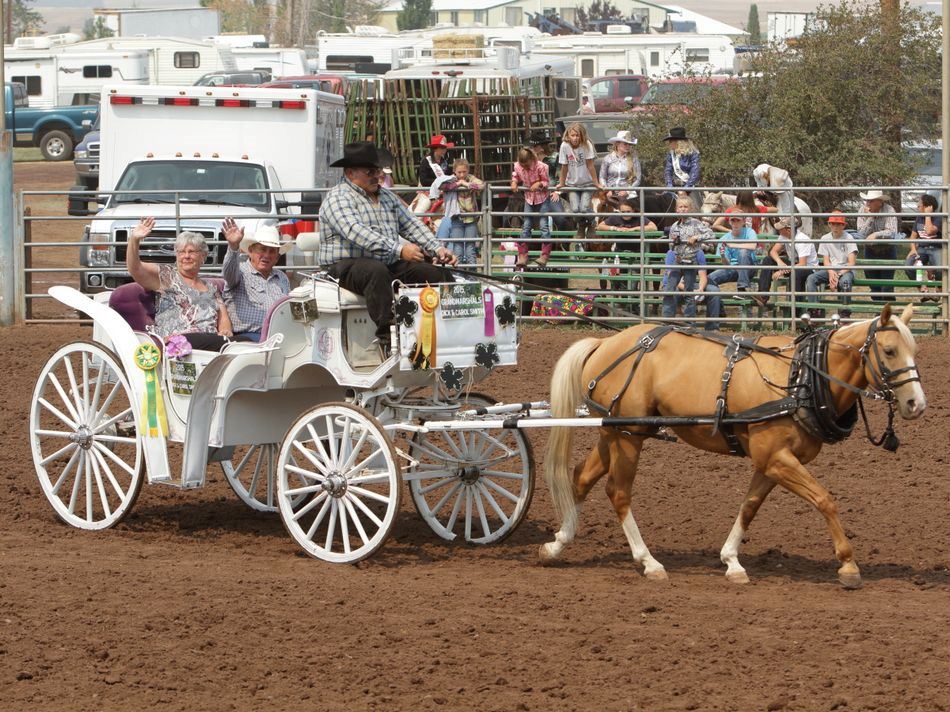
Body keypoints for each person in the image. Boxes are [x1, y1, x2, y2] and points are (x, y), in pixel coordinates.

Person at [318, 142, 458, 356]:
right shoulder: (337, 198)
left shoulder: (387, 197)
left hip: (384, 261)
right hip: (344, 266)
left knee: (434, 273)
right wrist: (399, 250)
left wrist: (437, 249)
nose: (377, 175)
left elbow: (410, 224)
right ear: (350, 172)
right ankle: (388, 338)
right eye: (370, 171)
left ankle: (448, 332)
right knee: (375, 271)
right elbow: (356, 232)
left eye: (378, 170)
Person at [126, 216, 235, 351]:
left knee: (243, 342)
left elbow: (223, 319)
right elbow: (135, 268)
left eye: (191, 252)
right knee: (200, 338)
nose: (186, 256)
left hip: (210, 345)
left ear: (203, 257)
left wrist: (225, 332)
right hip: (178, 343)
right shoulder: (167, 276)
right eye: (181, 252)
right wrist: (134, 240)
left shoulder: (212, 288)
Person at [221, 219, 292, 342]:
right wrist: (233, 246)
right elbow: (228, 271)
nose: (266, 255)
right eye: (262, 249)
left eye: (271, 251)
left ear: (276, 258)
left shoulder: (282, 277)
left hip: (279, 336)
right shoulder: (240, 272)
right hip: (247, 336)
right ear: (251, 251)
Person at [703, 212, 758, 330]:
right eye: (733, 221)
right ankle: (719, 308)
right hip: (732, 268)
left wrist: (733, 245)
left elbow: (753, 246)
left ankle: (742, 289)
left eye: (738, 220)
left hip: (749, 268)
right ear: (729, 222)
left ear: (743, 222)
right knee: (709, 279)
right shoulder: (725, 238)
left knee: (743, 253)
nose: (736, 223)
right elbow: (726, 264)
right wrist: (723, 255)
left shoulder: (749, 232)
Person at [662, 196, 713, 321]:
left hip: (691, 260)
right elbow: (670, 246)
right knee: (669, 289)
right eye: (680, 207)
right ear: (676, 209)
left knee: (689, 293)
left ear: (690, 209)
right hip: (677, 260)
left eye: (686, 207)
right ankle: (667, 320)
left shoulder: (696, 223)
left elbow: (711, 234)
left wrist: (697, 237)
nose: (683, 209)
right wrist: (674, 242)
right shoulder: (674, 225)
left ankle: (690, 323)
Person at [755, 216, 818, 314]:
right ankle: (763, 296)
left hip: (808, 268)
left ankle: (796, 311)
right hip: (793, 264)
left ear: (788, 229)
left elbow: (803, 264)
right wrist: (780, 262)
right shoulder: (784, 236)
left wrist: (782, 270)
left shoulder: (802, 240)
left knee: (796, 273)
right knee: (768, 260)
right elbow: (773, 251)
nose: (779, 230)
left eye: (781, 229)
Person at [555, 122, 601, 245]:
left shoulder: (587, 145)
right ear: (568, 135)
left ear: (582, 136)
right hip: (572, 184)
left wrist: (596, 183)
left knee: (584, 208)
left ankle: (592, 223)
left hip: (587, 183)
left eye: (577, 135)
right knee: (575, 209)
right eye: (573, 135)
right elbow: (564, 167)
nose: (575, 138)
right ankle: (582, 225)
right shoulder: (564, 146)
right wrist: (561, 183)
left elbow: (590, 166)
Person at [805, 212, 857, 318]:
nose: (835, 227)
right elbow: (826, 261)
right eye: (832, 224)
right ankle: (814, 310)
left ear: (843, 225)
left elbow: (851, 263)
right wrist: (831, 272)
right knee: (811, 278)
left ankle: (844, 313)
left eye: (838, 224)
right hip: (831, 269)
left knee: (845, 282)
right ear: (829, 224)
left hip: (846, 270)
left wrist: (837, 275)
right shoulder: (825, 238)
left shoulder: (849, 238)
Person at [435, 158, 484, 266]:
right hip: (457, 218)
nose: (462, 175)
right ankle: (459, 274)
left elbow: (481, 185)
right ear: (455, 172)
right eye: (459, 172)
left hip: (471, 218)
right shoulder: (452, 179)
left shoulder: (471, 178)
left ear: (468, 171)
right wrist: (458, 183)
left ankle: (472, 275)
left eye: (464, 172)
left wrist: (466, 184)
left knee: (470, 248)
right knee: (458, 247)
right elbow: (442, 187)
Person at [855, 189, 902, 302]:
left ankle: (886, 311)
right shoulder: (862, 210)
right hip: (870, 250)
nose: (867, 203)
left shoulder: (889, 210)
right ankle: (878, 309)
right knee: (873, 284)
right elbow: (861, 234)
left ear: (879, 202)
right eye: (867, 200)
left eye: (870, 201)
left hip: (888, 249)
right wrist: (871, 217)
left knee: (887, 284)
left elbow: (892, 232)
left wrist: (876, 234)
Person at [511, 147, 554, 268]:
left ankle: (545, 255)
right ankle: (523, 255)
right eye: (522, 164)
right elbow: (516, 176)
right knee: (526, 225)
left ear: (531, 159)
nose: (524, 167)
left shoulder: (541, 166)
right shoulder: (518, 166)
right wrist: (514, 182)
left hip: (542, 198)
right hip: (529, 198)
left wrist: (539, 183)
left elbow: (546, 182)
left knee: (543, 225)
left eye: (526, 164)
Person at [904, 194, 942, 300]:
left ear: (927, 207)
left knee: (940, 268)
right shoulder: (919, 218)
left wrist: (928, 215)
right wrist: (912, 249)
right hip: (922, 249)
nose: (917, 207)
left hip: (936, 248)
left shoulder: (938, 217)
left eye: (919, 205)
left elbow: (929, 231)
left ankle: (938, 291)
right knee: (908, 266)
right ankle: (923, 290)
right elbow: (913, 236)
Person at [599, 131, 641, 208]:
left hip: (627, 194)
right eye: (625, 144)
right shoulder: (608, 158)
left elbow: (638, 179)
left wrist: (627, 191)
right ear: (617, 144)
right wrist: (607, 190)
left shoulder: (634, 159)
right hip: (610, 193)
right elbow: (602, 177)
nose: (628, 146)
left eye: (629, 144)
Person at [663, 127, 701, 211]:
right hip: (674, 186)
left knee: (697, 209)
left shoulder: (693, 153)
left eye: (671, 141)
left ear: (678, 142)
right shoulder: (671, 154)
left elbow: (695, 172)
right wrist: (670, 186)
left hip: (689, 186)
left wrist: (686, 189)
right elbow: (668, 170)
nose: (669, 143)